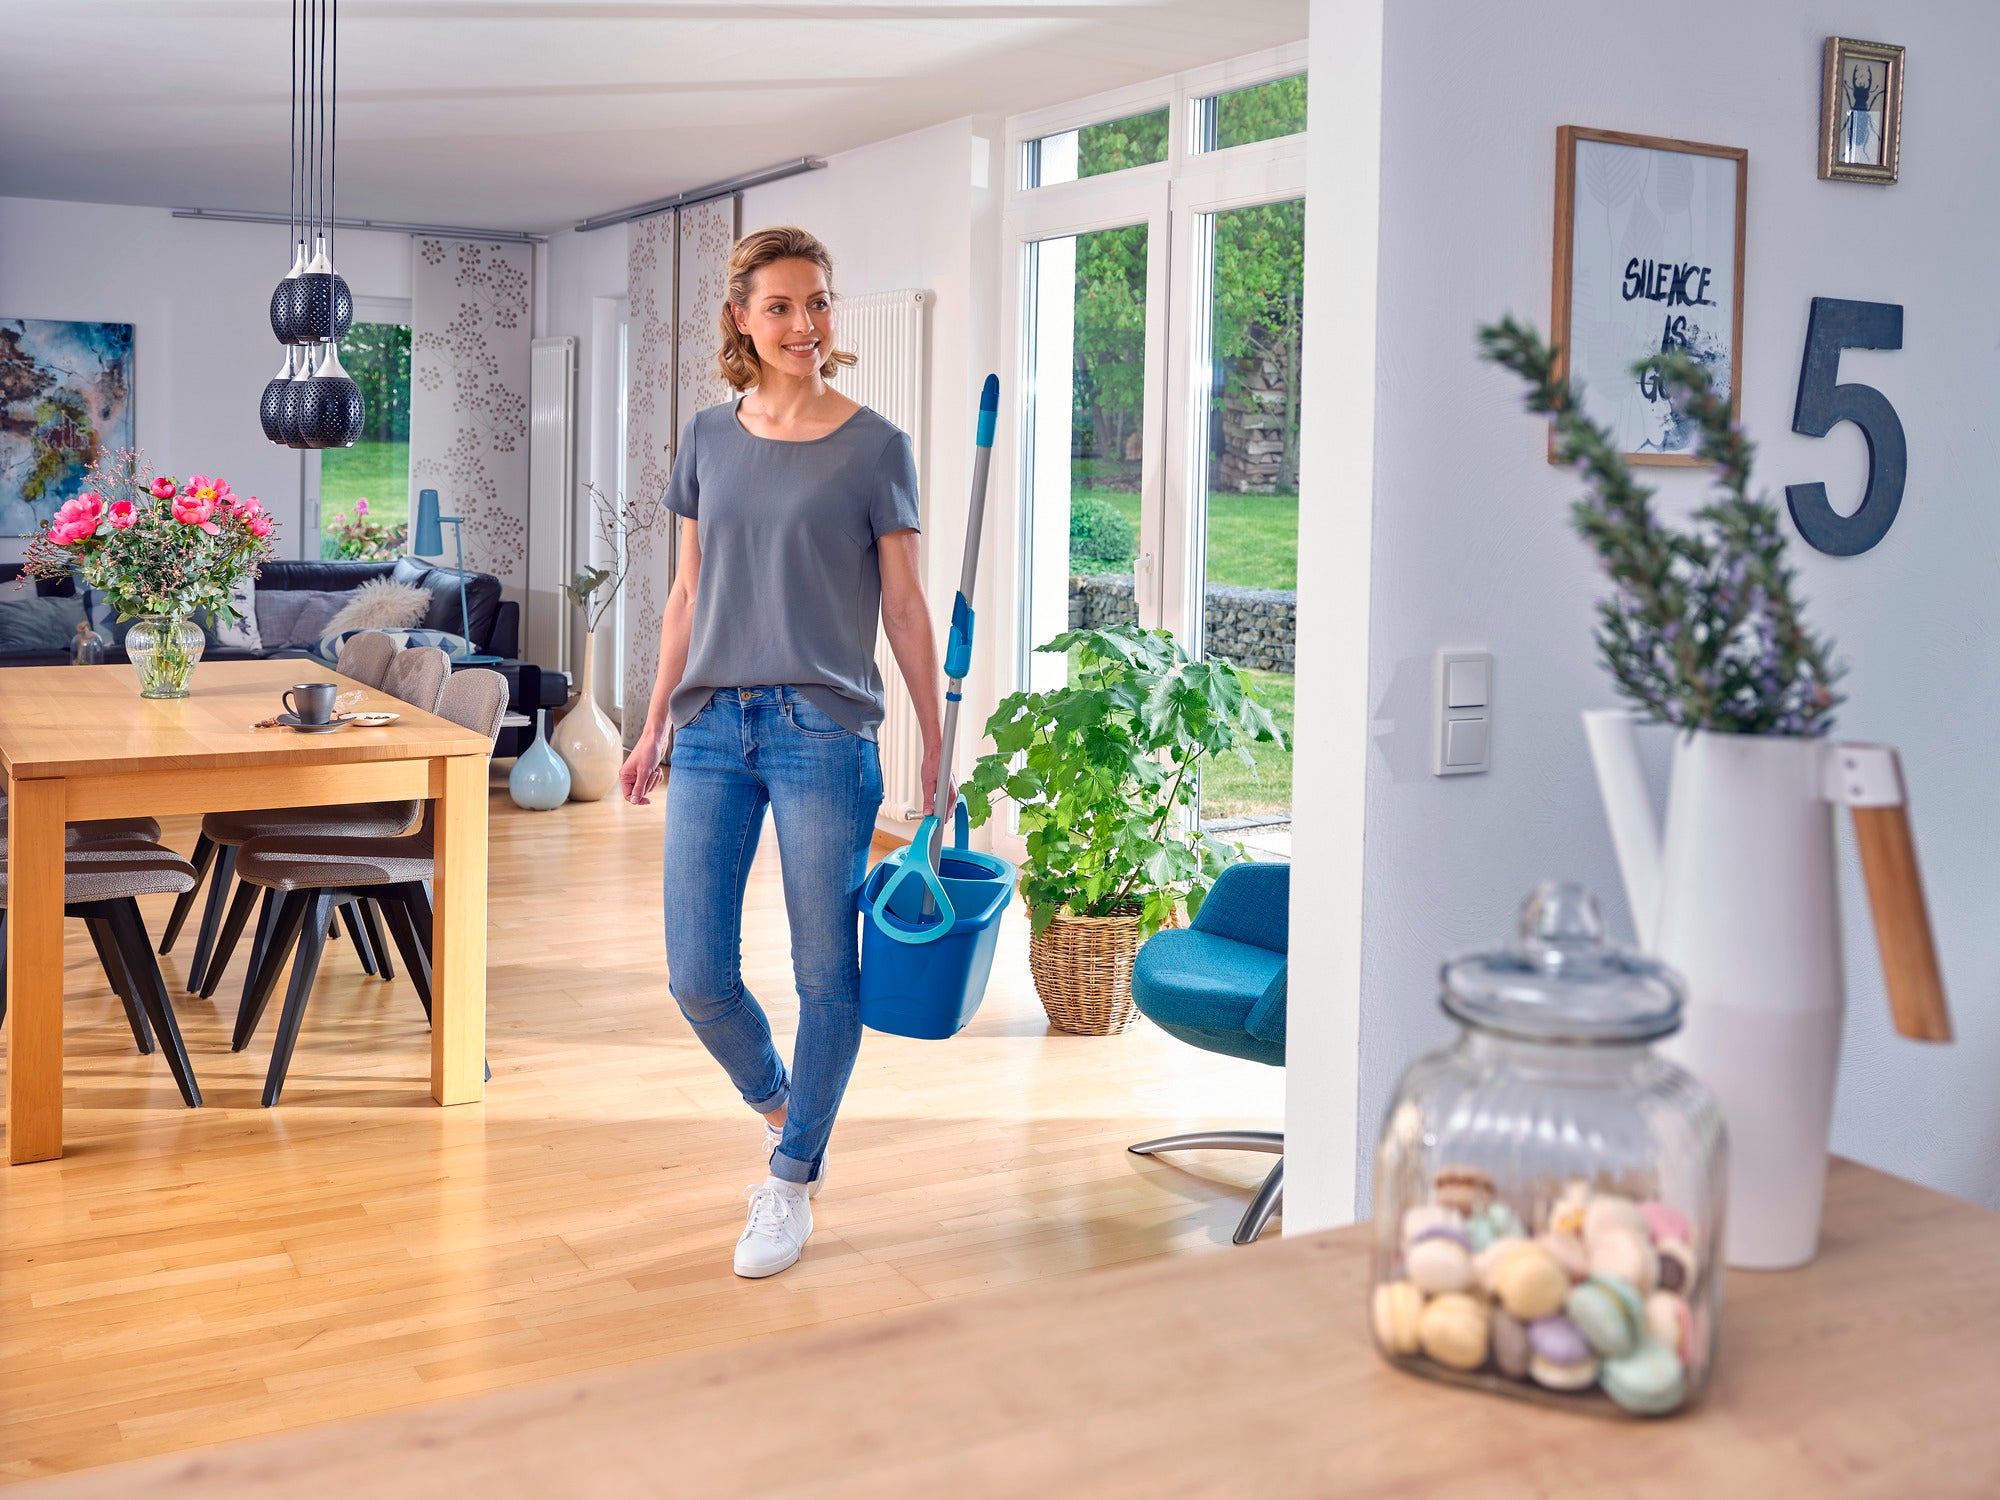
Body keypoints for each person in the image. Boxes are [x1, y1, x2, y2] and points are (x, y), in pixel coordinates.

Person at [619, 225, 945, 1279]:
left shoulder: (875, 446)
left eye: (818, 304)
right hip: (712, 727)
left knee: (822, 973)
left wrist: (935, 737)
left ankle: (792, 1176)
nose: (804, 325)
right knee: (696, 975)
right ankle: (782, 1103)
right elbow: (684, 593)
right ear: (741, 321)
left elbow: (901, 605)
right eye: (781, 307)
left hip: (822, 728)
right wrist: (654, 717)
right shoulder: (707, 439)